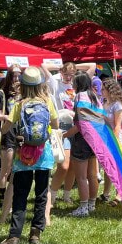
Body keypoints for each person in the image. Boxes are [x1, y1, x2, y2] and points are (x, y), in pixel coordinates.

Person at [0, 66, 58, 244]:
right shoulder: (47, 102)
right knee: (41, 195)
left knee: (20, 195)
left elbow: (5, 129)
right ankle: (35, 234)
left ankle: (14, 236)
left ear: (22, 85)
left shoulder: (19, 104)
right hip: (43, 155)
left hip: (23, 155)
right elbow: (55, 125)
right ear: (40, 85)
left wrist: (7, 121)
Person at [63, 72, 102, 216]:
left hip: (82, 140)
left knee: (81, 177)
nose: (72, 85)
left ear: (78, 84)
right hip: (95, 139)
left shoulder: (80, 97)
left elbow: (80, 124)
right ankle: (92, 204)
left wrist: (65, 135)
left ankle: (83, 208)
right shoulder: (94, 96)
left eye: (74, 82)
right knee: (93, 175)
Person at [0, 64, 22, 221]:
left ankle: (13, 200)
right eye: (13, 75)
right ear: (8, 76)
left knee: (17, 170)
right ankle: (3, 201)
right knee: (6, 169)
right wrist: (12, 116)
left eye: (19, 75)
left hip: (21, 135)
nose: (16, 78)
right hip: (8, 134)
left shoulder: (23, 94)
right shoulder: (1, 94)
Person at [49, 62, 76, 205]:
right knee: (63, 165)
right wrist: (59, 65)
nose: (68, 77)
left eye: (72, 74)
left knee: (73, 165)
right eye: (66, 74)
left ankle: (67, 195)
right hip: (61, 127)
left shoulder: (76, 85)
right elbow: (43, 66)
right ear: (61, 72)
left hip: (76, 126)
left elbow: (92, 66)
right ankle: (51, 195)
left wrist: (73, 67)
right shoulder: (55, 83)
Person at [99, 77, 122, 204]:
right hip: (106, 138)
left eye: (103, 89)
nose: (101, 91)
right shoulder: (104, 102)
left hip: (115, 138)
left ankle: (119, 194)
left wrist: (113, 143)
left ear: (110, 90)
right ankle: (105, 193)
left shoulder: (117, 105)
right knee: (107, 167)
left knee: (117, 167)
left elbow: (117, 126)